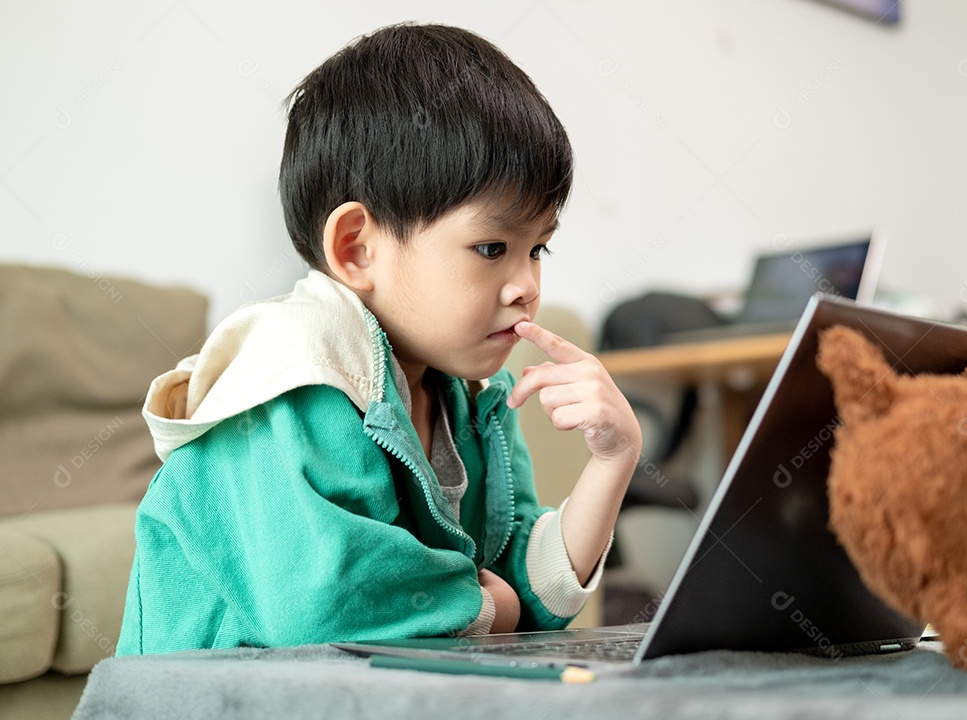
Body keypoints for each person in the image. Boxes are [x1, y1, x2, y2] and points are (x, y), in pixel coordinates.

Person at [116, 22, 642, 655]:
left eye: (538, 249)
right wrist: (487, 603)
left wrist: (614, 460)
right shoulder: (296, 373)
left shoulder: (475, 398)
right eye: (492, 247)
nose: (526, 284)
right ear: (357, 248)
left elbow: (527, 597)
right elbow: (325, 602)